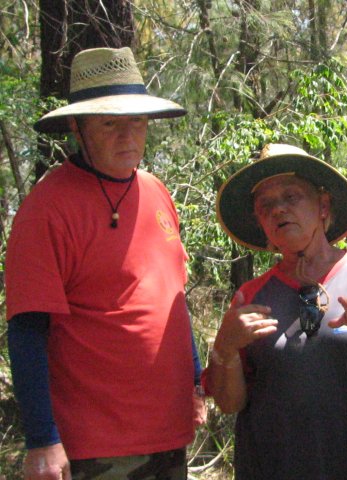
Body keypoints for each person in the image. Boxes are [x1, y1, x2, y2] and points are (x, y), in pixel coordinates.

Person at [5, 47, 206, 479]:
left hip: (168, 435)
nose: (127, 136)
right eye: (110, 123)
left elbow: (174, 299)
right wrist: (42, 438)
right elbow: (26, 329)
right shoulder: (48, 209)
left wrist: (194, 384)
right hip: (95, 447)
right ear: (77, 128)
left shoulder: (156, 191)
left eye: (136, 122)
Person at [204, 143, 347, 479]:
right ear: (261, 223)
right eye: (265, 206)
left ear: (323, 206)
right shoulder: (250, 297)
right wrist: (225, 348)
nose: (278, 210)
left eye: (291, 197)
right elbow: (229, 403)